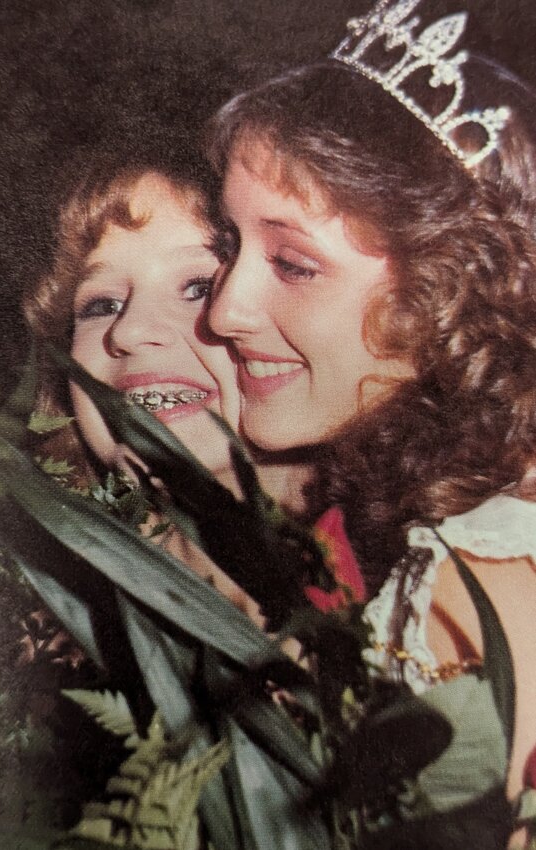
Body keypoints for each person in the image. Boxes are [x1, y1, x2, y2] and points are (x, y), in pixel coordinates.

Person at [206, 0, 536, 809]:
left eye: (292, 264)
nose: (222, 311)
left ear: (443, 293)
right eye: (228, 247)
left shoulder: (481, 587)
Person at [24, 137, 306, 621]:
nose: (129, 331)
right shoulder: (47, 620)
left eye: (197, 288)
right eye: (101, 305)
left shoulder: (425, 587)